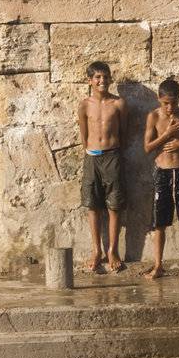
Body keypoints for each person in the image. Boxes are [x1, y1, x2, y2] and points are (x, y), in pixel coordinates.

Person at [144, 77, 179, 280]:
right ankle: (158, 265)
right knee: (159, 222)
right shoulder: (153, 117)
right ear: (159, 100)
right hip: (162, 171)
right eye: (165, 103)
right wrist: (167, 134)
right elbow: (148, 147)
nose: (170, 107)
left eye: (174, 102)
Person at [78, 60, 127, 274]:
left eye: (105, 76)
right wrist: (91, 149)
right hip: (92, 157)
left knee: (114, 205)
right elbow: (83, 133)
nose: (102, 81)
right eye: (97, 77)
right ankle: (96, 250)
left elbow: (124, 131)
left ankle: (112, 250)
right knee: (92, 205)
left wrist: (112, 149)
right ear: (89, 80)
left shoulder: (118, 104)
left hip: (112, 156)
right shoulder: (84, 104)